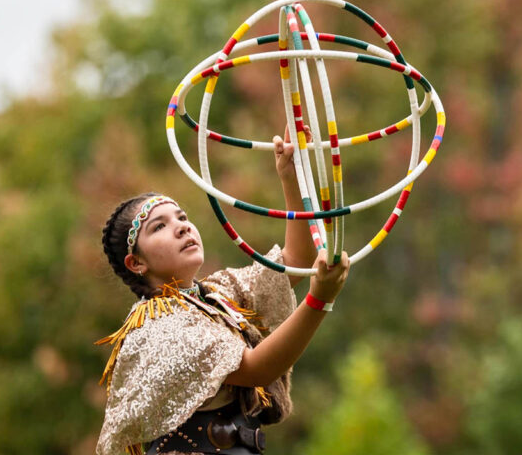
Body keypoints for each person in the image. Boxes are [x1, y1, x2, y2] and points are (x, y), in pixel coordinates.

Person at [96, 128, 350, 455]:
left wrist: (292, 176)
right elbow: (258, 368)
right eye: (159, 226)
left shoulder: (217, 295)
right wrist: (319, 299)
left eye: (182, 217)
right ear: (136, 263)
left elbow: (296, 260)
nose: (182, 226)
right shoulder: (156, 329)